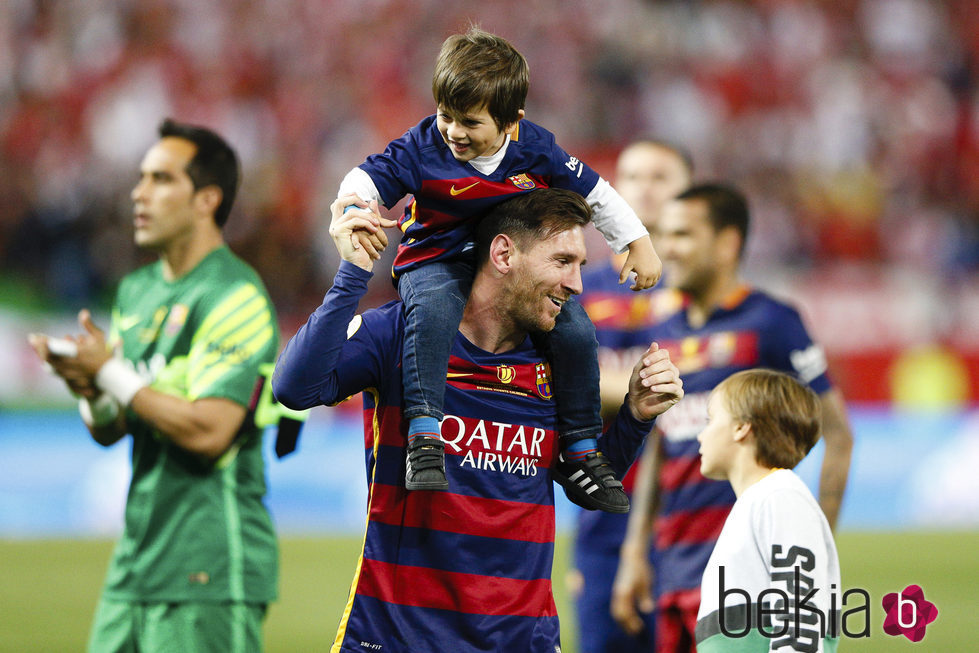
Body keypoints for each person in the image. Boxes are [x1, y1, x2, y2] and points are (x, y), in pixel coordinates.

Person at [272, 188, 683, 653]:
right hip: (401, 637)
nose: (576, 285)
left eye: (580, 266)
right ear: (504, 253)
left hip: (523, 639)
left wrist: (634, 416)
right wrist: (352, 275)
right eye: (563, 261)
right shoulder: (401, 333)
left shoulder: (557, 361)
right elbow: (294, 387)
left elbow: (581, 483)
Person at [337, 26, 661, 510]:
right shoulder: (422, 145)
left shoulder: (536, 148)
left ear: (512, 122)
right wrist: (351, 208)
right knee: (433, 313)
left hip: (509, 272)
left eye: (469, 122)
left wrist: (636, 241)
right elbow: (367, 177)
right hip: (435, 259)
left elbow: (596, 193)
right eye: (445, 115)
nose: (453, 132)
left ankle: (579, 448)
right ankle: (425, 433)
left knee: (574, 332)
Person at [29, 119, 280, 652]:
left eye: (161, 179)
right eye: (141, 177)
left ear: (206, 199)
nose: (138, 193)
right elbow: (111, 428)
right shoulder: (136, 292)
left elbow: (210, 430)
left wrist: (108, 373)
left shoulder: (235, 296)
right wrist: (91, 390)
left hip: (209, 569)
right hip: (136, 563)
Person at [610, 183, 854, 653]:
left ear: (727, 243)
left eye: (683, 235)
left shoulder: (773, 322)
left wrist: (813, 545)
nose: (668, 248)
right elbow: (661, 444)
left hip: (748, 571)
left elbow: (839, 435)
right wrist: (634, 552)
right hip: (673, 565)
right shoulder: (664, 328)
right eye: (663, 234)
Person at [571, 139, 694, 653]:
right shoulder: (577, 284)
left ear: (690, 193)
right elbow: (553, 384)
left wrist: (600, 383)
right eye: (633, 176)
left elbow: (704, 392)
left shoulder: (708, 294)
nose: (644, 187)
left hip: (690, 516)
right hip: (604, 514)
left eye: (660, 176)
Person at [694, 369, 841, 652]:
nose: (701, 435)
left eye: (711, 421)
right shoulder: (759, 502)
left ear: (741, 427)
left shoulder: (781, 497)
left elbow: (800, 616)